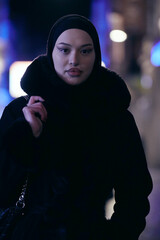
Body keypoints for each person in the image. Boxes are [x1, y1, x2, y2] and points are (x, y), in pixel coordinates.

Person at [0, 14, 152, 240]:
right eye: (64, 50)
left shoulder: (114, 117)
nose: (74, 59)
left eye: (85, 50)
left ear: (96, 54)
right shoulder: (22, 111)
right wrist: (27, 135)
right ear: (51, 53)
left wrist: (118, 233)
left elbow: (134, 193)